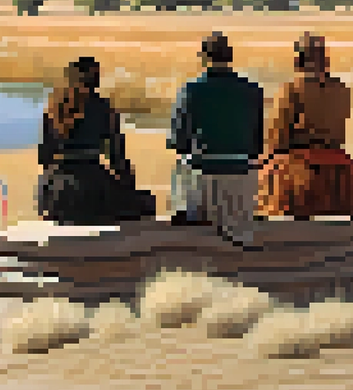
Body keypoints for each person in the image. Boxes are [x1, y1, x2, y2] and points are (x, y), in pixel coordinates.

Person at [256, 33, 353, 219]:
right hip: (338, 163)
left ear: (298, 60)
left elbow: (277, 138)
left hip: (301, 168)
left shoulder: (290, 89)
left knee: (263, 172)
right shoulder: (341, 89)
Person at [166, 32, 265, 241]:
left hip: (203, 173)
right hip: (242, 173)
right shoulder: (253, 90)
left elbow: (178, 143)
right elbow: (257, 145)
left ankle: (186, 217)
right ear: (230, 56)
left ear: (203, 57)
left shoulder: (191, 90)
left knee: (180, 167)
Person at [36, 56, 157, 225]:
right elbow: (118, 160)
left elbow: (44, 157)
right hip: (93, 187)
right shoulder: (104, 108)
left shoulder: (53, 108)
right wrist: (128, 188)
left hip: (56, 196)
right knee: (146, 202)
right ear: (95, 80)